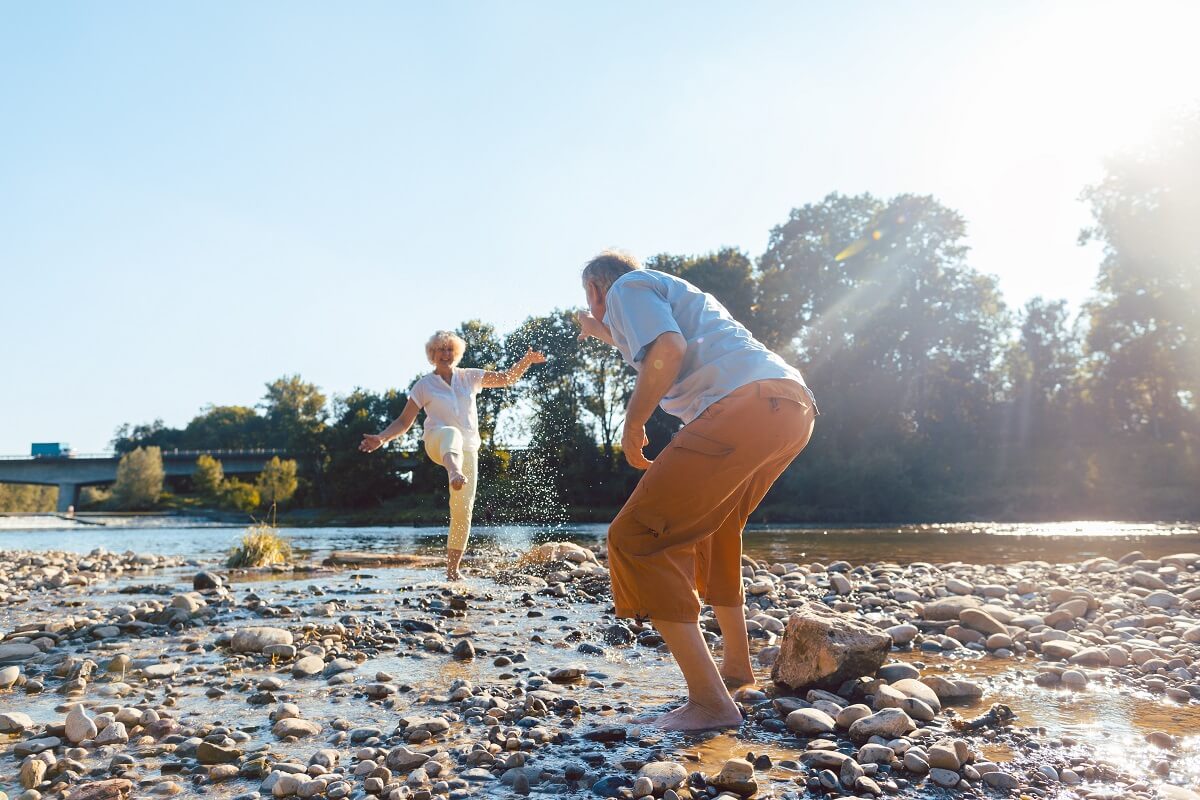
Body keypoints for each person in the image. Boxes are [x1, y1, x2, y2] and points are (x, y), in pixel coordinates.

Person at [576, 250, 818, 732]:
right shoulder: (671, 293)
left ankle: (710, 704)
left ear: (598, 288)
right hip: (790, 408)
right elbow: (636, 342)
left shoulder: (627, 287)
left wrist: (633, 422)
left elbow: (665, 347)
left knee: (634, 538)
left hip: (743, 408)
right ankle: (735, 670)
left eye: (590, 299)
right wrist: (594, 329)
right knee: (718, 528)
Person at [359, 331, 546, 580]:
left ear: (455, 353)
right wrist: (382, 438)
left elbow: (506, 378)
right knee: (451, 434)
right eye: (440, 350)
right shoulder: (424, 385)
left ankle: (453, 571)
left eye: (449, 350)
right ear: (432, 354)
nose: (445, 354)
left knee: (462, 508)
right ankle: (454, 471)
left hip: (468, 450)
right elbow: (404, 421)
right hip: (438, 442)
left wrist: (526, 361)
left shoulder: (470, 377)